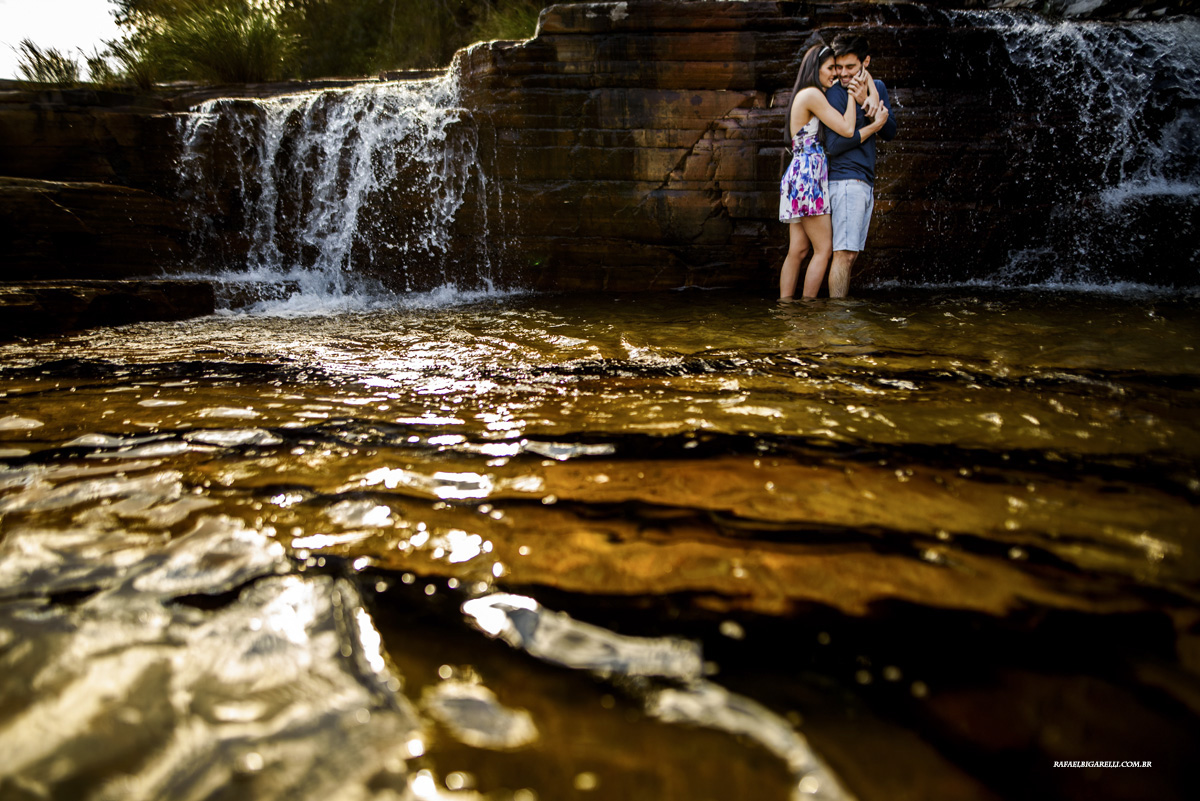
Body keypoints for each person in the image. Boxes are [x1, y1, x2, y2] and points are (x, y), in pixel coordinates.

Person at [778, 44, 871, 301]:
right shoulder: (812, 95)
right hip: (808, 177)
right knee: (824, 250)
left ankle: (785, 309)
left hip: (799, 175)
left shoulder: (805, 94)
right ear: (815, 68)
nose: (835, 74)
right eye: (830, 68)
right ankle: (808, 308)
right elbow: (847, 127)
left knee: (797, 250)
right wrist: (852, 94)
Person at [823, 34, 897, 297]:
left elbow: (890, 131)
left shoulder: (877, 86)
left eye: (850, 67)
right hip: (844, 181)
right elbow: (833, 146)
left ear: (866, 61)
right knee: (843, 254)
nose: (843, 74)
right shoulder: (834, 93)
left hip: (864, 181)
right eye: (839, 67)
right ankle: (838, 317)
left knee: (850, 255)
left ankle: (838, 317)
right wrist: (871, 126)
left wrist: (870, 101)